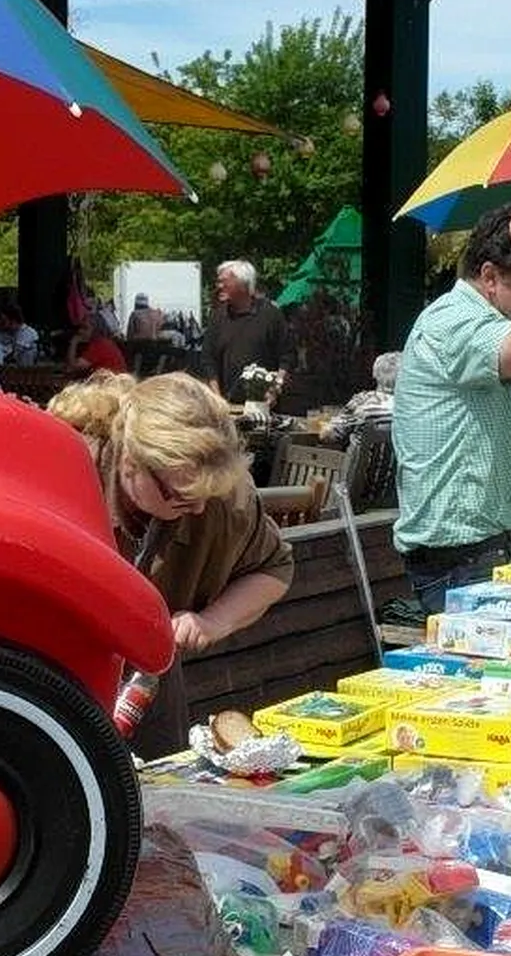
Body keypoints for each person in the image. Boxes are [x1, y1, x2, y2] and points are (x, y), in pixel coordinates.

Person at [46, 371, 294, 758]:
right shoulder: (64, 471)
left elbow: (274, 568)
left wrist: (214, 620)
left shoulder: (218, 493)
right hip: (56, 671)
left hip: (148, 680)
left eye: (206, 496)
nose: (196, 508)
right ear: (131, 463)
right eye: (180, 496)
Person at [393, 204, 511, 614]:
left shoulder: (478, 325)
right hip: (460, 562)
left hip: (482, 550)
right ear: (490, 276)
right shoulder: (454, 322)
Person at [202, 260, 286, 402]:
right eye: (218, 282)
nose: (219, 286)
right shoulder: (218, 317)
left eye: (224, 282)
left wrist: (275, 389)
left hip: (265, 406)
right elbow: (208, 360)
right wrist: (217, 398)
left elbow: (287, 357)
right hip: (227, 404)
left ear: (242, 283)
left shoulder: (270, 315)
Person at [322, 350, 400, 447]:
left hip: (361, 461)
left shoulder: (362, 400)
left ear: (374, 374)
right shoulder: (412, 407)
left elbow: (329, 434)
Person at [0, 301, 42, 366]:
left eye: (3, 321)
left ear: (13, 320)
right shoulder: (1, 334)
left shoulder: (28, 333)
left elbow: (15, 354)